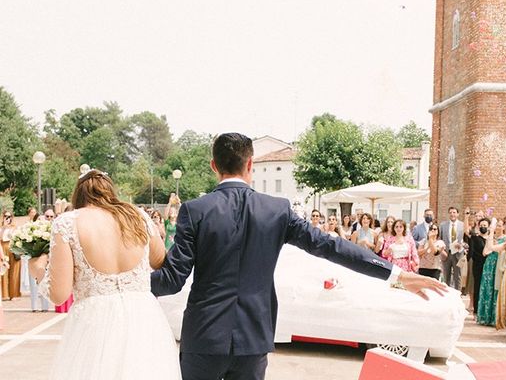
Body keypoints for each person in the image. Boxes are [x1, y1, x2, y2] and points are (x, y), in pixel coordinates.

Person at [150, 133, 448, 380]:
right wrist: (395, 274)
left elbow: (172, 280)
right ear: (250, 164)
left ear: (214, 166)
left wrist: (123, 283)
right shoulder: (276, 210)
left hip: (203, 337)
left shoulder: (195, 210)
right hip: (254, 338)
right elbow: (331, 246)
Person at [28, 169, 181, 379]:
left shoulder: (67, 223)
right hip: (144, 318)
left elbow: (59, 294)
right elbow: (159, 260)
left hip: (95, 321)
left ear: (78, 195)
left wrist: (37, 268)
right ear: (111, 191)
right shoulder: (137, 216)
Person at [476, 218, 506, 326]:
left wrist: (493, 247)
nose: (497, 227)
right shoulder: (491, 238)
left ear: (503, 227)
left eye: (499, 225)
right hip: (489, 265)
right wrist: (491, 241)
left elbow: (500, 250)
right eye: (496, 225)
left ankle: (496, 317)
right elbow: (485, 252)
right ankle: (485, 317)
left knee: (497, 289)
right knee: (487, 288)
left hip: (499, 264)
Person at [465, 216, 490, 315]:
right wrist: (467, 218)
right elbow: (467, 231)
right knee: (477, 287)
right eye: (481, 225)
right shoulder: (475, 238)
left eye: (485, 225)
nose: (483, 227)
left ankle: (486, 309)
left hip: (489, 266)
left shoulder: (491, 239)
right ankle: (476, 310)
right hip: (478, 265)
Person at [440, 207, 466, 290]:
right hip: (447, 254)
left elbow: (467, 241)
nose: (452, 214)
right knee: (446, 276)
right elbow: (440, 239)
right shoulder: (443, 225)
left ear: (457, 214)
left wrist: (462, 245)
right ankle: (446, 295)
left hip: (458, 254)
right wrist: (442, 251)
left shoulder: (463, 225)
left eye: (454, 212)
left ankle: (458, 295)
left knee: (458, 276)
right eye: (450, 212)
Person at [0, 211, 20, 300]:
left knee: (14, 271)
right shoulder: (1, 228)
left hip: (13, 248)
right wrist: (4, 226)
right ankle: (4, 294)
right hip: (3, 247)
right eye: (6, 216)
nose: (7, 218)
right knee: (3, 271)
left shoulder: (15, 227)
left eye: (9, 216)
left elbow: (16, 238)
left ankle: (14, 294)